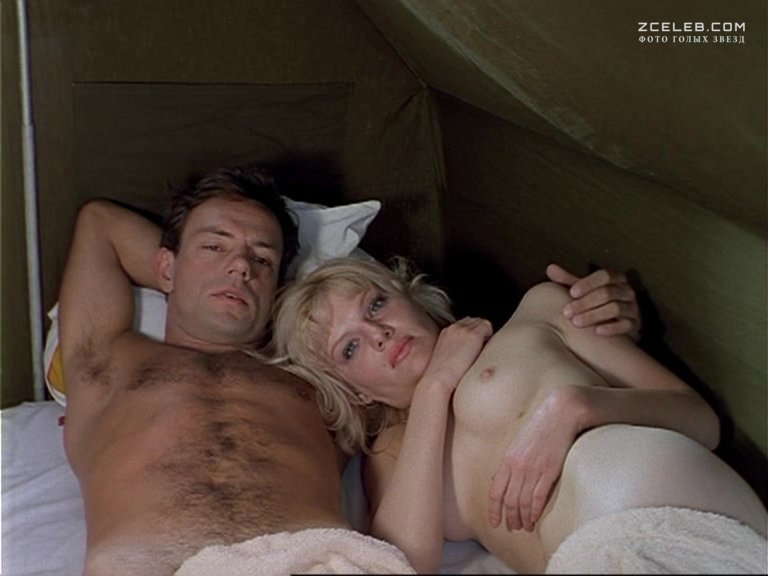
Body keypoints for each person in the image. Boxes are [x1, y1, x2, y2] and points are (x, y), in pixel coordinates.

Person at [271, 256, 768, 574]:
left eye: (377, 304)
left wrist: (577, 407)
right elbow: (406, 564)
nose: (379, 333)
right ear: (354, 392)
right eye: (351, 347)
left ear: (409, 294)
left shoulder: (537, 314)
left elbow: (702, 420)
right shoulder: (393, 455)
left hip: (684, 514)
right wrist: (435, 387)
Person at [57, 165, 417, 575]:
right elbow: (99, 222)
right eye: (214, 246)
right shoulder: (104, 362)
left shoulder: (322, 379)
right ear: (165, 268)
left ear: (276, 291)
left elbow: (407, 381)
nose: (242, 266)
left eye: (262, 258)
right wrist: (191, 273)